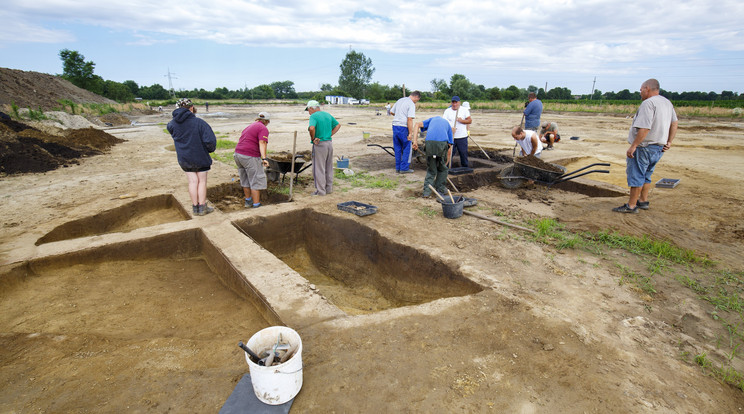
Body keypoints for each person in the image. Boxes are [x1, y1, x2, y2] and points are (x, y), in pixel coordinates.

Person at [613, 79, 678, 214]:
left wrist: (634, 146)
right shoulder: (667, 103)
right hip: (658, 147)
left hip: (644, 147)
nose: (640, 93)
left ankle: (631, 206)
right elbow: (674, 123)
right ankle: (643, 201)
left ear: (647, 88)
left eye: (641, 90)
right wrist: (669, 141)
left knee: (636, 174)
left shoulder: (648, 104)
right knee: (647, 175)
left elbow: (645, 128)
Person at [167, 98, 217, 216]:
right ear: (191, 108)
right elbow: (210, 141)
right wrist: (209, 150)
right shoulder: (199, 123)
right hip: (200, 157)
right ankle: (202, 207)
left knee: (192, 182)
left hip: (184, 158)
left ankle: (195, 208)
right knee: (202, 181)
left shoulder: (171, 124)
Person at [234, 112, 271, 208]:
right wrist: (264, 158)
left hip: (238, 154)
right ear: (266, 121)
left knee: (245, 178)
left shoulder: (250, 126)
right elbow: (262, 142)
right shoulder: (263, 128)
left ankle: (248, 201)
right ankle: (256, 204)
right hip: (249, 156)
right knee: (256, 179)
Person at [412, 116, 453, 198]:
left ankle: (427, 192)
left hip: (429, 143)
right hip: (441, 144)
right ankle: (440, 190)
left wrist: (415, 142)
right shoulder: (448, 125)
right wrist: (446, 163)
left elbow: (416, 124)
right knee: (442, 169)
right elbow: (449, 147)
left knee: (431, 169)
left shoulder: (431, 120)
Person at [305, 100, 340, 195]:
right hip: (329, 143)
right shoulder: (327, 115)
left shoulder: (313, 116)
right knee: (328, 167)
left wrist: (313, 139)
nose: (309, 112)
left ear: (311, 108)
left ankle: (320, 191)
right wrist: (329, 135)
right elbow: (338, 125)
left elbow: (312, 128)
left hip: (320, 144)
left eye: (308, 110)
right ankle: (329, 189)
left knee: (319, 168)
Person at [390, 91, 421, 173]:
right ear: (416, 97)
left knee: (397, 147)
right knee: (407, 147)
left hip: (395, 126)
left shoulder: (400, 100)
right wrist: (410, 133)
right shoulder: (411, 104)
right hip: (403, 127)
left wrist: (399, 116)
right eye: (417, 100)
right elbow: (409, 119)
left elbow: (391, 112)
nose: (416, 102)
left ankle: (398, 167)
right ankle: (404, 168)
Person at [442, 96, 472, 167]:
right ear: (451, 102)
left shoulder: (464, 110)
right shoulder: (447, 111)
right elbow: (444, 123)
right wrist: (450, 129)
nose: (455, 104)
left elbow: (469, 120)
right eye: (453, 102)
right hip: (451, 137)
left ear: (459, 102)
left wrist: (462, 121)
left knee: (463, 153)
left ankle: (465, 167)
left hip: (462, 137)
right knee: (449, 153)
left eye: (456, 102)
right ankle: (446, 167)